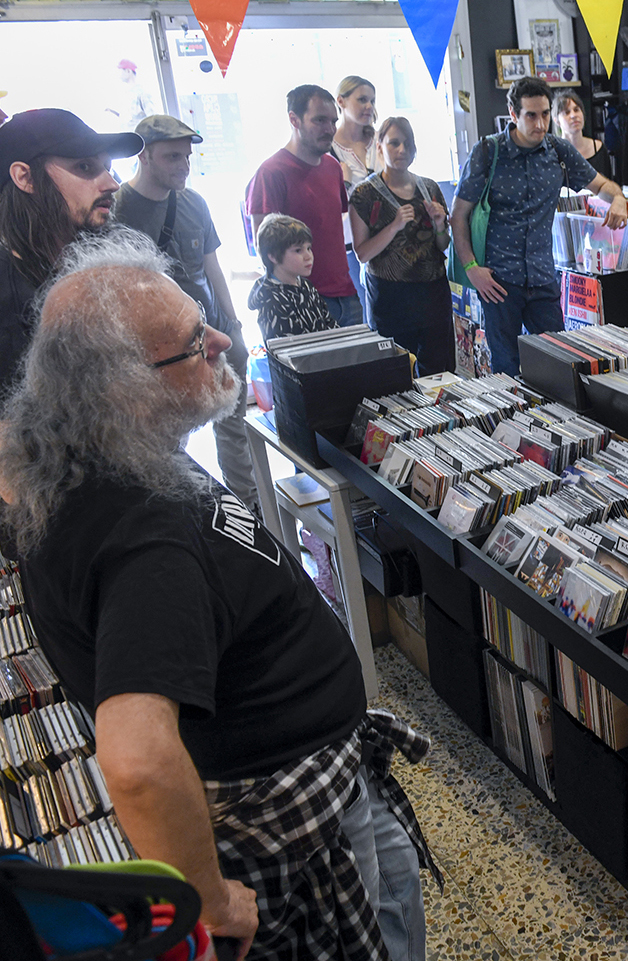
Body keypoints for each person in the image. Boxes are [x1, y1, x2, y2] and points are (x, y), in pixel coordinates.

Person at [0, 230, 440, 960]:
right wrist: (202, 892)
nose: (220, 339)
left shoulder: (79, 443)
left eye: (201, 317)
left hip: (314, 768)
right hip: (293, 809)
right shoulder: (148, 547)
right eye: (189, 343)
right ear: (123, 388)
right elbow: (136, 760)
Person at [113, 115, 258, 511]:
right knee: (170, 436)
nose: (184, 165)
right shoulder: (117, 209)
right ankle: (176, 511)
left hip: (214, 332)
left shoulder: (194, 202)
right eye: (173, 156)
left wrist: (235, 324)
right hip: (162, 349)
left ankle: (247, 506)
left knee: (234, 426)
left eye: (188, 157)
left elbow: (212, 265)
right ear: (144, 156)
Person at [449, 76, 628, 377]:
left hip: (544, 277)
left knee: (561, 364)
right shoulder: (487, 153)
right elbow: (458, 215)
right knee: (505, 369)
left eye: (545, 114)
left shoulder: (558, 151)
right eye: (531, 115)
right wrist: (471, 268)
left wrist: (619, 197)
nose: (541, 123)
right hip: (498, 281)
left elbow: (600, 185)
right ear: (513, 113)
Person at [0, 108, 141, 396]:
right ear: (25, 178)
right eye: (85, 168)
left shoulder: (103, 265)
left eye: (108, 167)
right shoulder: (6, 291)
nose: (112, 183)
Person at [245, 84, 362, 326]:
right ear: (294, 119)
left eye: (333, 121)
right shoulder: (271, 173)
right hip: (300, 299)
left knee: (358, 364)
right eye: (319, 120)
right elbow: (264, 245)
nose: (329, 129)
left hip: (346, 294)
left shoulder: (332, 167)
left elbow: (333, 230)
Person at [350, 116, 453, 374]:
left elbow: (442, 245)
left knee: (440, 372)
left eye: (408, 144)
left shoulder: (428, 187)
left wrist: (440, 224)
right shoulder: (364, 195)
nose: (402, 150)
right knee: (394, 373)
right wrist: (393, 226)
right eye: (394, 143)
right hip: (390, 297)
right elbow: (362, 254)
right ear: (379, 146)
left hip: (433, 293)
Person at [249, 213, 337, 342]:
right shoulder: (271, 299)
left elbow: (329, 324)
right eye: (298, 250)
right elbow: (286, 351)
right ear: (273, 256)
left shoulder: (306, 285)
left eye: (308, 248)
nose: (308, 256)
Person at [330, 76, 380, 303]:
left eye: (372, 100)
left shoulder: (381, 142)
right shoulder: (327, 149)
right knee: (362, 315)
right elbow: (329, 205)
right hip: (349, 244)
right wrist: (346, 184)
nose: (368, 106)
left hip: (387, 235)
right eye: (361, 100)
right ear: (341, 101)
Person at [554, 90, 611, 180]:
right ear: (556, 121)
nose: (573, 115)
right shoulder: (552, 153)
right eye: (567, 112)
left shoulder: (599, 148)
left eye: (576, 110)